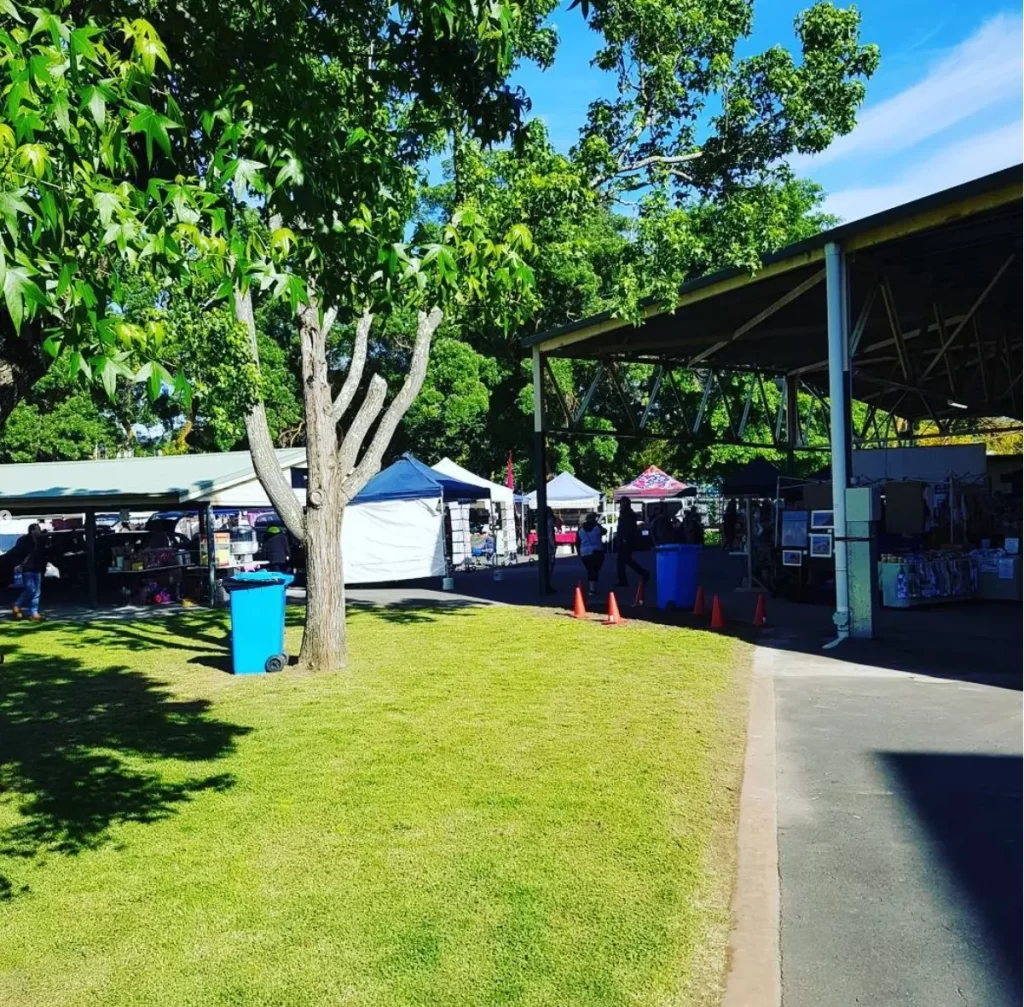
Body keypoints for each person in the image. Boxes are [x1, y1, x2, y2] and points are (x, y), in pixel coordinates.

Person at [12, 523, 49, 621]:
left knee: (37, 592)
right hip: (27, 568)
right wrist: (18, 563)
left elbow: (45, 552)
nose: (39, 531)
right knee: (31, 589)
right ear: (32, 530)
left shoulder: (40, 541)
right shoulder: (25, 540)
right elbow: (18, 552)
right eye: (37, 529)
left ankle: (34, 613)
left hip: (37, 567)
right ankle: (17, 605)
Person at [615, 497, 649, 587]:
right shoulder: (625, 513)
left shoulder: (628, 513)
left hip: (626, 540)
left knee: (626, 560)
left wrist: (625, 538)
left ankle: (643, 572)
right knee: (622, 561)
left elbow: (628, 527)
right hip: (624, 539)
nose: (620, 504)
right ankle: (623, 580)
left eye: (621, 502)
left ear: (625, 503)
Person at [576, 512, 607, 597]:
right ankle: (592, 589)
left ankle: (592, 587)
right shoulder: (597, 527)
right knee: (595, 570)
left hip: (584, 553)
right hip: (597, 551)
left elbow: (577, 542)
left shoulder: (580, 530)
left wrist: (579, 552)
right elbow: (605, 531)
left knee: (590, 569)